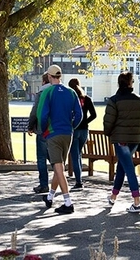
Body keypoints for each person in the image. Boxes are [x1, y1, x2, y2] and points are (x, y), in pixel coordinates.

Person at [36, 65, 83, 214]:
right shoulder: (71, 92)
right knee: (59, 166)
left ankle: (68, 202)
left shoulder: (47, 92)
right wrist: (72, 126)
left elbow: (42, 115)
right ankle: (50, 197)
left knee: (58, 167)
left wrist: (43, 129)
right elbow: (79, 114)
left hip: (53, 133)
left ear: (49, 77)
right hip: (67, 133)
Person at [103, 71, 140, 213]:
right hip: (134, 138)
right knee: (122, 167)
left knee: (128, 168)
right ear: (130, 83)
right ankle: (113, 196)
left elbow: (108, 121)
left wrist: (108, 132)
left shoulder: (114, 100)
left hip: (120, 138)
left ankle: (137, 201)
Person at [67, 78, 96, 191]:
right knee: (79, 154)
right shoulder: (87, 99)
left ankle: (79, 181)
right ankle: (79, 179)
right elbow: (94, 115)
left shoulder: (70, 99)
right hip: (84, 130)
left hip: (74, 129)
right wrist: (85, 122)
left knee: (75, 156)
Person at [26, 73, 52, 194]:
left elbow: (35, 111)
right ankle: (60, 181)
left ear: (43, 81)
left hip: (43, 129)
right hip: (57, 129)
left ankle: (44, 184)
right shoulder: (60, 92)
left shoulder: (41, 93)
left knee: (41, 158)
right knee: (54, 158)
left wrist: (30, 126)